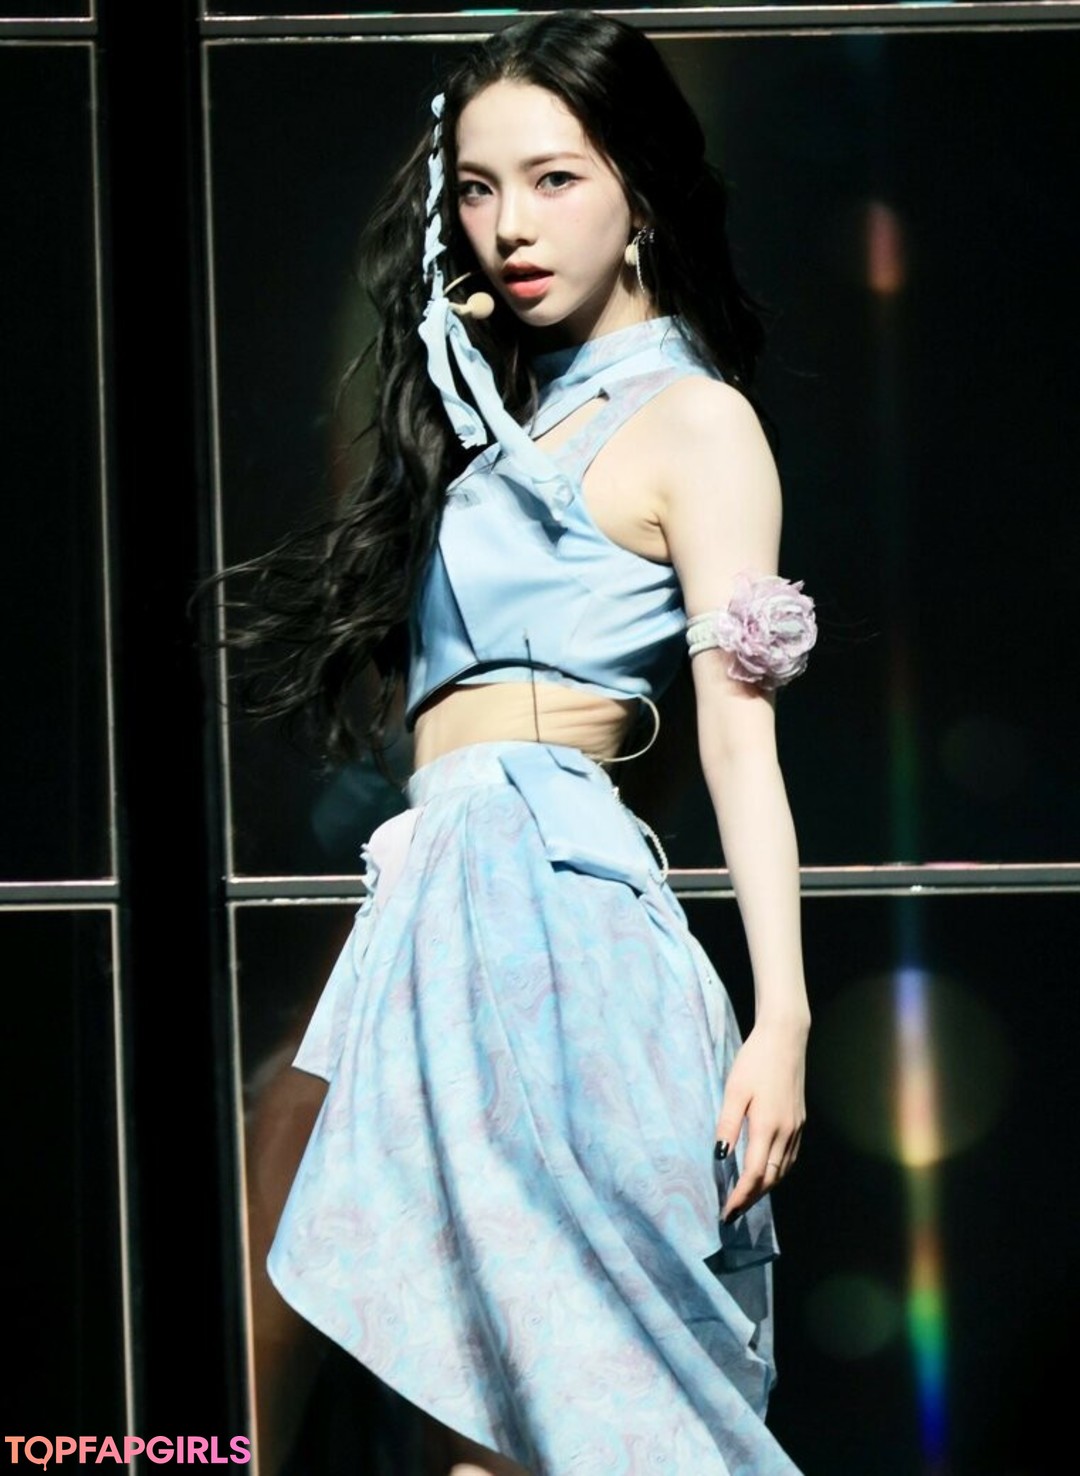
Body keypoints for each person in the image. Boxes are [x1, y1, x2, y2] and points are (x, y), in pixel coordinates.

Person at [224, 10, 817, 1474]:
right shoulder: (508, 422)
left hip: (546, 929)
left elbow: (740, 745)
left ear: (641, 191)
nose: (510, 227)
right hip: (443, 899)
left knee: (535, 1407)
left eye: (555, 179)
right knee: (448, 1394)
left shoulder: (696, 423)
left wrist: (785, 1022)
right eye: (480, 189)